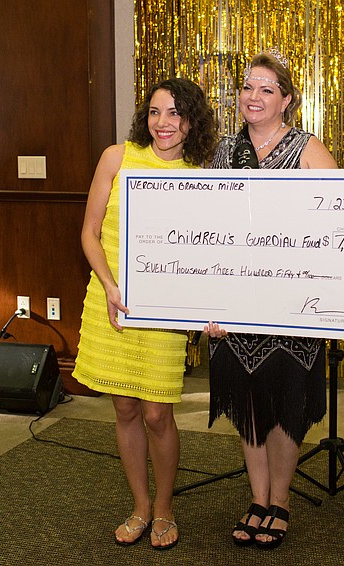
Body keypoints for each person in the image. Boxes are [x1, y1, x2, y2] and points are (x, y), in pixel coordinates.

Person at [202, 49, 344, 550]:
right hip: (237, 303)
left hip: (295, 303)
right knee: (250, 404)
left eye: (266, 89)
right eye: (248, 87)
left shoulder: (307, 148)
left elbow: (342, 216)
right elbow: (202, 228)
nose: (253, 96)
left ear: (287, 100)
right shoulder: (222, 151)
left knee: (286, 403)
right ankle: (256, 499)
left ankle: (281, 501)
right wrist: (202, 304)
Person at [72, 78, 217, 550]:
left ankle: (164, 507)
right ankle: (139, 505)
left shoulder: (202, 172)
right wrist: (111, 287)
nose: (163, 123)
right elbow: (89, 233)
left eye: (174, 113)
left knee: (158, 413)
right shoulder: (117, 158)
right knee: (125, 408)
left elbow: (210, 250)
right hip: (111, 300)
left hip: (164, 311)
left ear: (191, 120)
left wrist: (208, 307)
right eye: (155, 112)